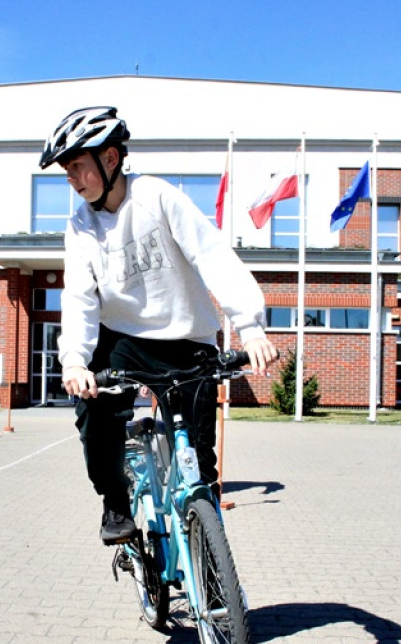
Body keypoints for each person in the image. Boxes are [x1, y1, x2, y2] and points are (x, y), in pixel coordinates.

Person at [39, 106, 279, 545]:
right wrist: (74, 362)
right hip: (123, 340)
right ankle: (116, 499)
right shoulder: (80, 226)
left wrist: (251, 327)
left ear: (110, 159)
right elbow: (78, 298)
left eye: (77, 166)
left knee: (200, 467)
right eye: (66, 171)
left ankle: (210, 575)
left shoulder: (157, 196)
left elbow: (212, 255)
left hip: (188, 338)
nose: (71, 179)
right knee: (95, 413)